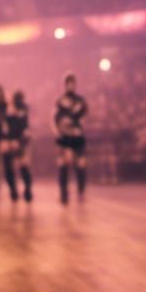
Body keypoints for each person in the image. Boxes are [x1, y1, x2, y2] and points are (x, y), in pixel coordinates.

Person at [53, 73, 88, 205]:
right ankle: (63, 194)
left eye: (73, 83)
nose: (71, 85)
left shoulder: (81, 101)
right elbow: (54, 118)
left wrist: (80, 127)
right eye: (69, 83)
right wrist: (58, 131)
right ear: (65, 84)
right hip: (65, 137)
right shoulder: (60, 101)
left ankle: (81, 192)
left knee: (81, 163)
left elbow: (86, 117)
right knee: (63, 163)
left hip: (77, 137)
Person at [4, 90, 33, 203]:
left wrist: (20, 141)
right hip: (11, 141)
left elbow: (25, 127)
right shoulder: (8, 111)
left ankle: (27, 190)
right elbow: (6, 127)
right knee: (10, 167)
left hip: (21, 140)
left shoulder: (23, 109)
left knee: (23, 165)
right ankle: (13, 191)